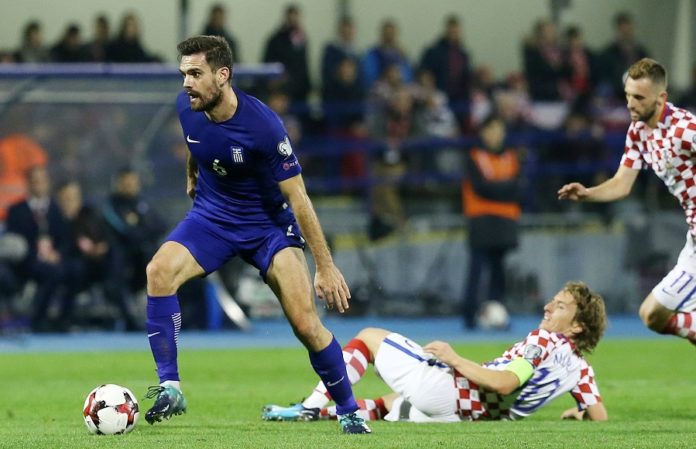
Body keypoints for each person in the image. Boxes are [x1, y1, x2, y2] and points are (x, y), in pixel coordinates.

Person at [142, 35, 370, 434]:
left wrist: (325, 266)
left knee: (305, 324)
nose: (187, 84)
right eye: (184, 74)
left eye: (195, 74)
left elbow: (298, 197)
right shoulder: (187, 106)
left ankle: (349, 411)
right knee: (157, 272)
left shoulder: (264, 126)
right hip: (212, 218)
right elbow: (196, 143)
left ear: (222, 75)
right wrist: (192, 174)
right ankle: (170, 387)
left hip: (268, 228)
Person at [263, 280, 607, 423]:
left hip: (454, 390)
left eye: (560, 306)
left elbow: (505, 383)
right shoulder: (580, 370)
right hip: (465, 416)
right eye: (553, 301)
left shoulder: (544, 340)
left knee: (368, 337)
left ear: (577, 326)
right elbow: (599, 416)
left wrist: (455, 359)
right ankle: (322, 416)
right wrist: (579, 415)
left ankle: (310, 406)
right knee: (390, 403)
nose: (548, 307)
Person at [558, 58, 696, 346]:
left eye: (639, 98)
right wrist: (588, 193)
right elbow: (621, 184)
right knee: (653, 315)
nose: (631, 104)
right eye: (628, 96)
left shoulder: (685, 129)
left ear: (661, 98)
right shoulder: (638, 132)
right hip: (693, 239)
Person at [462, 114, 521, 329]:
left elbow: (519, 186)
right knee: (477, 269)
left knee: (499, 270)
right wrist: (504, 188)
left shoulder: (512, 157)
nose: (496, 135)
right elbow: (480, 187)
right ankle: (469, 315)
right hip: (481, 219)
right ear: (483, 133)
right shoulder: (474, 157)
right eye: (491, 129)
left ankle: (497, 314)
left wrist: (496, 188)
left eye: (499, 130)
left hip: (505, 220)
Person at [5, 166, 68, 332]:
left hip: (54, 259)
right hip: (27, 261)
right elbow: (14, 243)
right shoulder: (16, 210)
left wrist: (57, 254)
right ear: (28, 184)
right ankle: (38, 320)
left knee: (72, 270)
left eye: (42, 181)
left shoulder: (56, 209)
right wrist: (37, 255)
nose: (39, 185)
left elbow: (64, 238)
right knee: (51, 272)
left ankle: (64, 320)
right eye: (35, 181)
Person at [102, 167, 166, 294]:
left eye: (132, 182)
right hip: (123, 251)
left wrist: (144, 231)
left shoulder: (142, 203)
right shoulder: (112, 205)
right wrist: (145, 232)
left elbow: (161, 225)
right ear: (117, 184)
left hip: (144, 248)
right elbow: (125, 230)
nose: (129, 186)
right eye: (125, 183)